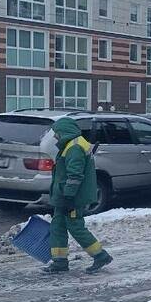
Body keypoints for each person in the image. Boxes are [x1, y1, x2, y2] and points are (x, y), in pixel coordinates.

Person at [43, 117, 113, 273]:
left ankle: (100, 256)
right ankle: (60, 262)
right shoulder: (71, 144)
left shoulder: (75, 147)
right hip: (64, 196)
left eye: (57, 133)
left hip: (72, 198)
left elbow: (75, 175)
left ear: (64, 131)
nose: (55, 137)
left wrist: (68, 196)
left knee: (75, 227)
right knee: (58, 227)